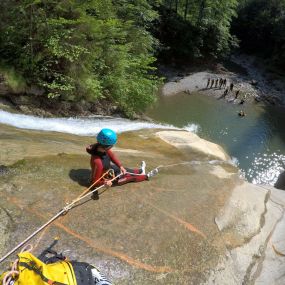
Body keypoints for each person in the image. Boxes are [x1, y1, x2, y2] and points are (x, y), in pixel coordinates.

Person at [86, 128, 158, 190]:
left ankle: (141, 170)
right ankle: (147, 176)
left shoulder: (102, 147)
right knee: (129, 178)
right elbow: (94, 183)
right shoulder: (98, 162)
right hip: (104, 177)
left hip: (108, 168)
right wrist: (105, 183)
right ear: (108, 146)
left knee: (126, 170)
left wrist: (121, 166)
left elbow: (112, 157)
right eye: (112, 145)